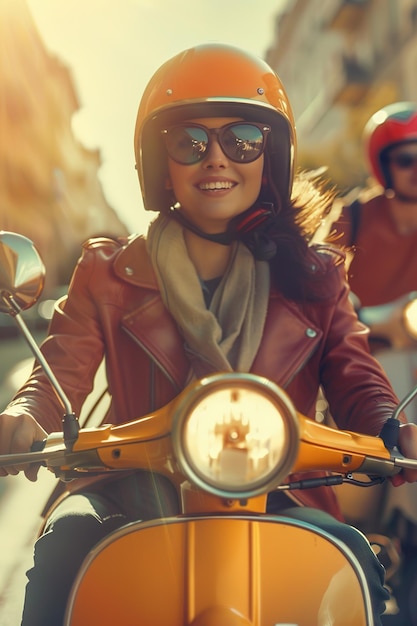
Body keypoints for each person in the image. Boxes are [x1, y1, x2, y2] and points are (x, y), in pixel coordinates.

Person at [1, 44, 417, 626]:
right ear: (159, 160)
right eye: (188, 142)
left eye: (242, 139)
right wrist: (26, 413)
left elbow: (354, 374)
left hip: (282, 487)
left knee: (353, 561)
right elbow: (59, 369)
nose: (215, 159)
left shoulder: (317, 276)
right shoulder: (108, 271)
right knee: (65, 546)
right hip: (133, 487)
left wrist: (389, 427)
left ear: (269, 155)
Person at [332, 102, 417, 622]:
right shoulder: (354, 217)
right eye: (407, 158)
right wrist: (381, 324)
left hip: (412, 372)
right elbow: (317, 285)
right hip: (361, 373)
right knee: (346, 507)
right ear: (385, 165)